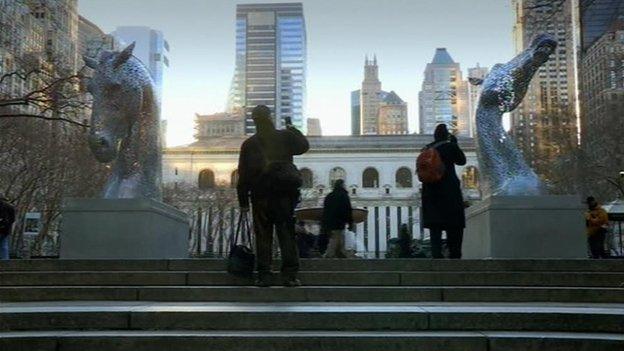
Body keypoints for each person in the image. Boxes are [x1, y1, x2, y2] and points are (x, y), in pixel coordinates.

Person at [237, 105, 309, 287]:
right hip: (284, 195)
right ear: (269, 117)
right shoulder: (284, 136)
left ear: (254, 120)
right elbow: (303, 146)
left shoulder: (249, 144)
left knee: (262, 235)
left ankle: (264, 275)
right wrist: (291, 128)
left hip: (260, 196)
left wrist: (243, 201)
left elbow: (243, 174)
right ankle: (290, 276)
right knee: (286, 234)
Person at [421, 124, 467, 259]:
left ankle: (436, 256)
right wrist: (455, 143)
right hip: (449, 192)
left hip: (431, 193)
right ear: (446, 135)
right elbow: (461, 161)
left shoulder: (426, 150)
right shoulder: (449, 147)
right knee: (454, 227)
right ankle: (455, 256)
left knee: (435, 228)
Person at [321, 179, 354, 258]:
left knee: (336, 237)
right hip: (340, 221)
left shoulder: (329, 196)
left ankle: (339, 252)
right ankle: (330, 254)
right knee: (337, 237)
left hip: (330, 221)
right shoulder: (344, 196)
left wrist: (324, 224)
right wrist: (350, 222)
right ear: (342, 185)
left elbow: (325, 211)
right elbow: (347, 210)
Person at [0, 194, 16, 260]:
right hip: (5, 229)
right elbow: (13, 219)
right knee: (4, 245)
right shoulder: (10, 206)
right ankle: (6, 262)